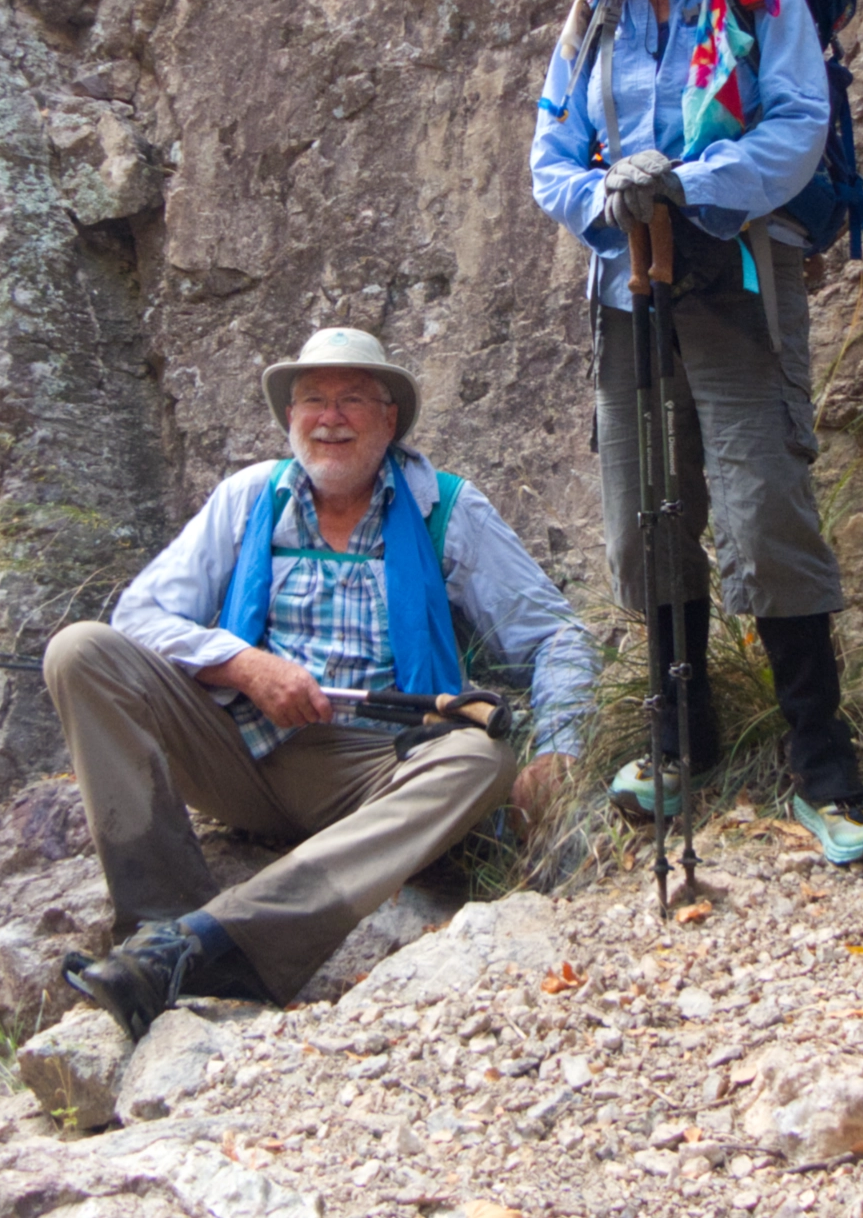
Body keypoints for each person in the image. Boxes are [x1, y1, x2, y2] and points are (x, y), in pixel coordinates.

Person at [527, 0, 863, 864]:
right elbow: (550, 159)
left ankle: (823, 766)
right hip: (624, 285)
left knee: (764, 503)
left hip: (734, 267)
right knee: (644, 514)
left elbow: (795, 122)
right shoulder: (588, 24)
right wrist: (609, 198)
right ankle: (680, 736)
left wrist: (688, 186)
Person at [46, 326, 597, 1036]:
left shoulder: (447, 508)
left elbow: (556, 633)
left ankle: (216, 943)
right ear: (288, 417)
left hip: (376, 770)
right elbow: (141, 613)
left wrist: (559, 743)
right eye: (312, 399)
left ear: (389, 418)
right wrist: (243, 664)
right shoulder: (250, 497)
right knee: (81, 651)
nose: (329, 417)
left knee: (482, 754)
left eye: (352, 399)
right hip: (240, 749)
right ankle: (158, 929)